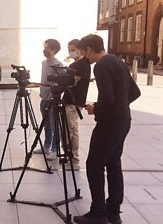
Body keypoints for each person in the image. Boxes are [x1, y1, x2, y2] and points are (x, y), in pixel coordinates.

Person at [73, 34, 141, 224]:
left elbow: (108, 99)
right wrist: (120, 106)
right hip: (123, 121)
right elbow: (135, 92)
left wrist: (96, 108)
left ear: (88, 49)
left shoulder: (101, 66)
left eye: (82, 53)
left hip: (109, 124)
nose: (84, 58)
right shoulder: (117, 61)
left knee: (94, 165)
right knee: (113, 165)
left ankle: (98, 213)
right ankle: (113, 210)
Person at [62, 39, 91, 170]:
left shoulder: (83, 64)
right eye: (69, 49)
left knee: (72, 130)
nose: (71, 52)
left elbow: (73, 81)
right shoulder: (73, 65)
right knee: (66, 129)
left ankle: (74, 159)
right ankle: (67, 155)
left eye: (73, 49)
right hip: (67, 100)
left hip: (75, 102)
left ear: (80, 49)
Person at [33, 39, 63, 160]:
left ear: (53, 49)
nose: (45, 50)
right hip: (43, 98)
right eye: (44, 47)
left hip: (52, 99)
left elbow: (61, 82)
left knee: (55, 125)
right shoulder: (44, 63)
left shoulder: (58, 64)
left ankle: (55, 150)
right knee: (46, 125)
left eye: (47, 48)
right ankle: (46, 147)